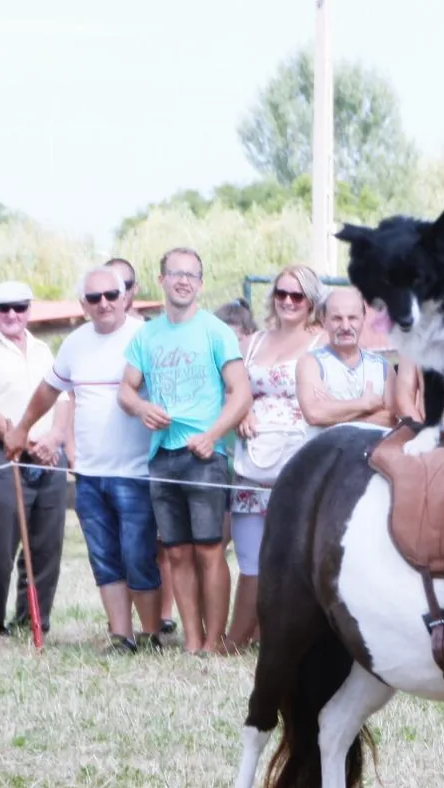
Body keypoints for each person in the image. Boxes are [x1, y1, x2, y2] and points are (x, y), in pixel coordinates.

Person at [5, 266, 157, 654]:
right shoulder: (75, 343)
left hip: (137, 471)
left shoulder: (147, 337)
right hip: (90, 472)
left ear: (126, 295)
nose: (103, 303)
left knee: (139, 557)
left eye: (111, 294)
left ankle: (152, 634)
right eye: (94, 298)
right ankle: (122, 637)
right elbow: (49, 390)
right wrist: (22, 428)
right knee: (104, 557)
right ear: (83, 304)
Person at [119, 248, 250, 655]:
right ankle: (192, 640)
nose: (184, 281)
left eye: (192, 275)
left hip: (205, 457)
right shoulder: (146, 335)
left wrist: (213, 435)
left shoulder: (215, 331)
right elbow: (125, 390)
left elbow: (241, 392)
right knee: (176, 552)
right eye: (176, 273)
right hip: (162, 457)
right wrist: (141, 407)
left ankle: (215, 641)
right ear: (161, 280)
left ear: (201, 283)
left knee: (210, 550)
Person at [225, 265, 324, 653]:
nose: (287, 301)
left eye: (296, 296)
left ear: (311, 301)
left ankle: (281, 638)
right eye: (281, 293)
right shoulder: (251, 343)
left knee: (293, 558)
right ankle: (236, 639)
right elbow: (232, 390)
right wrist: (242, 411)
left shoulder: (322, 342)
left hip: (299, 462)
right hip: (252, 462)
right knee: (250, 558)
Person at [0, 280, 70, 641]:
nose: (12, 315)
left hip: (49, 453)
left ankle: (33, 620)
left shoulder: (44, 349)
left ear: (29, 309)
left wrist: (55, 438)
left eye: (20, 307)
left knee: (47, 545)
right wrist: (27, 442)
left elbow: (62, 399)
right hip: (5, 451)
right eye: (3, 308)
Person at [109, 254, 175, 638]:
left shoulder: (153, 333)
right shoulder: (87, 336)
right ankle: (122, 625)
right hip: (108, 462)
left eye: (123, 287)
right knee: (120, 550)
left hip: (152, 454)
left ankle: (162, 616)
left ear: (133, 290)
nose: (113, 297)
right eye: (103, 291)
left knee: (159, 545)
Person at [295, 287, 394, 436]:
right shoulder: (310, 362)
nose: (345, 326)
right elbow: (314, 414)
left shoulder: (383, 367)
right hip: (326, 454)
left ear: (363, 318)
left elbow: (391, 419)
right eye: (337, 318)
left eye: (352, 318)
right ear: (324, 320)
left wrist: (334, 410)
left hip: (372, 454)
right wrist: (365, 404)